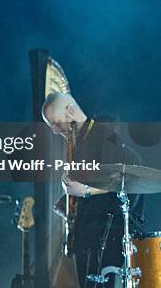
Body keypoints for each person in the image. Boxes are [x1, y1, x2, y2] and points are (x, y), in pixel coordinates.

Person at [42, 91, 145, 288]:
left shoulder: (104, 134)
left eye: (56, 123)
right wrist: (71, 202)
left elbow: (129, 175)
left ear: (70, 111)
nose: (55, 130)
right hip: (90, 241)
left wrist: (86, 191)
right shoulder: (79, 142)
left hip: (109, 240)